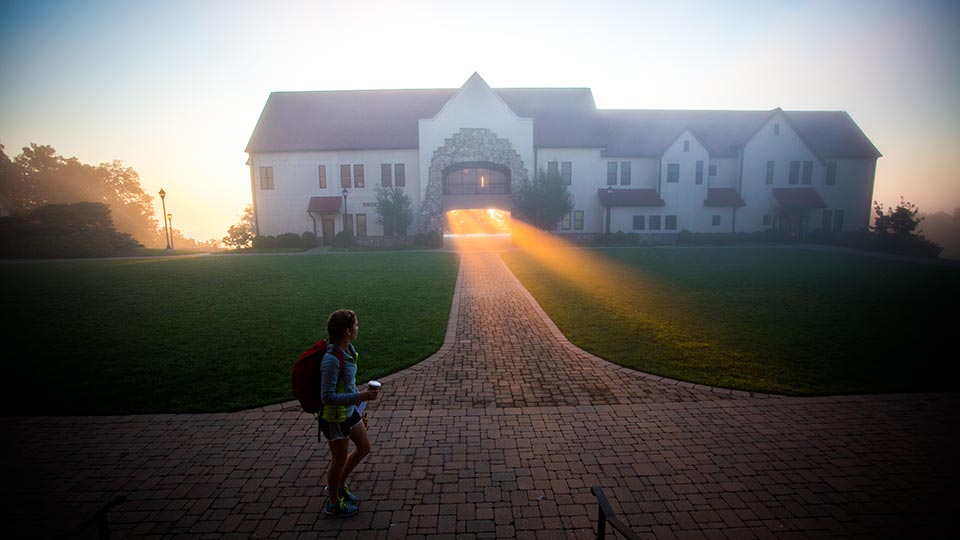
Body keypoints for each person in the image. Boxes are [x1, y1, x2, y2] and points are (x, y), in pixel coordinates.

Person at [318, 309, 379, 518]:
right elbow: (327, 397)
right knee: (339, 460)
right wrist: (360, 397)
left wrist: (358, 395)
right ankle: (333, 501)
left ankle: (339, 486)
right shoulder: (331, 359)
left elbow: (346, 384)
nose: (357, 328)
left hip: (350, 410)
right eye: (355, 325)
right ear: (347, 330)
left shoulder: (348, 350)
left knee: (364, 447)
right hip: (335, 417)